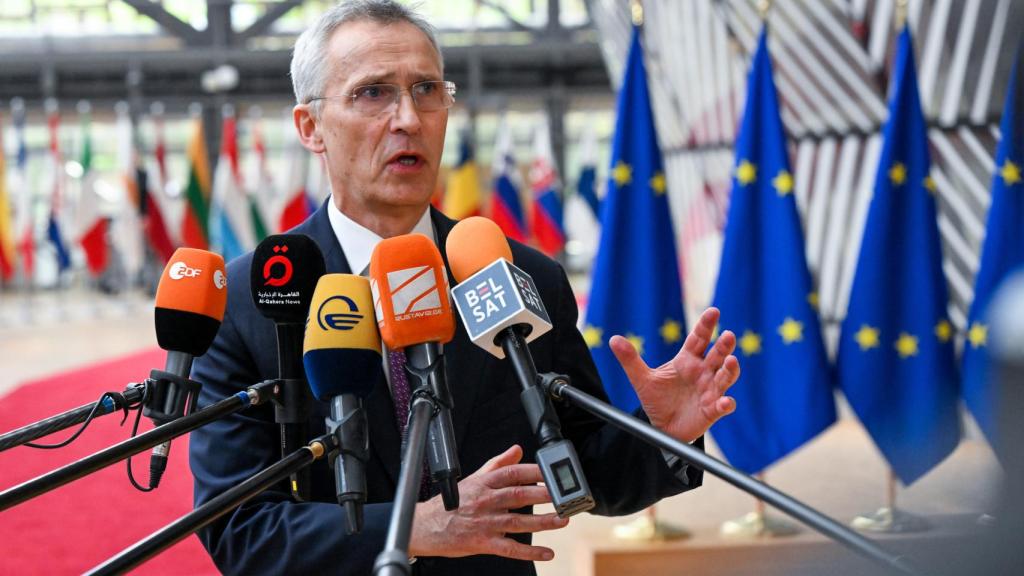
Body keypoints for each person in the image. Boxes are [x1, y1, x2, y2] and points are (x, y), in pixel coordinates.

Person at [189, 1, 740, 574]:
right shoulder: (248, 298)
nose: (408, 117)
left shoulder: (522, 274)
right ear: (311, 127)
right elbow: (239, 528)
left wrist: (659, 436)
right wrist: (412, 529)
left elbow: (585, 472)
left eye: (426, 89)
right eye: (373, 93)